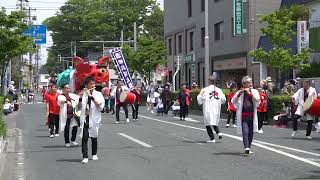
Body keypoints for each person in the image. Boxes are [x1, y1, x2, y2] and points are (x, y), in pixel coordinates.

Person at [232, 76, 260, 155]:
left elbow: (258, 101)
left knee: (251, 132)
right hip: (243, 115)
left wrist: (249, 94)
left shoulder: (254, 91)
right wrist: (239, 94)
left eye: (251, 82)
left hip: (252, 114)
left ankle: (249, 147)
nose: (251, 83)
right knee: (245, 130)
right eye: (249, 82)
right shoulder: (239, 92)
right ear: (244, 84)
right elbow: (233, 101)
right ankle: (246, 147)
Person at [79, 76, 104, 164]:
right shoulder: (83, 94)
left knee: (94, 137)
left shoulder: (98, 94)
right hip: (85, 118)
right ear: (86, 85)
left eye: (93, 83)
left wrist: (91, 96)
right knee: (84, 138)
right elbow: (78, 107)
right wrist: (80, 97)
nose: (93, 85)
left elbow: (100, 107)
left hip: (94, 119)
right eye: (91, 84)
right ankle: (85, 156)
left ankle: (94, 154)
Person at [197, 76, 226, 143]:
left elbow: (199, 98)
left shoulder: (205, 89)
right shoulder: (219, 90)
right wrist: (220, 102)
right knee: (214, 121)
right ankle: (218, 133)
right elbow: (223, 99)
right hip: (216, 107)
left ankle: (212, 138)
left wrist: (200, 99)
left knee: (207, 123)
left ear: (209, 81)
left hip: (208, 107)